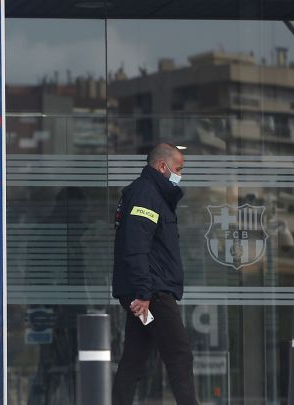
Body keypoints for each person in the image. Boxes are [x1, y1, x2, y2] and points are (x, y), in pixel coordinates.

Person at [111, 143, 198, 405]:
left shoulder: (152, 194)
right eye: (178, 169)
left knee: (135, 357)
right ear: (162, 166)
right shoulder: (146, 195)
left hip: (146, 293)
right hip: (153, 294)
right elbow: (135, 247)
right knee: (179, 354)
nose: (180, 175)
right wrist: (144, 292)